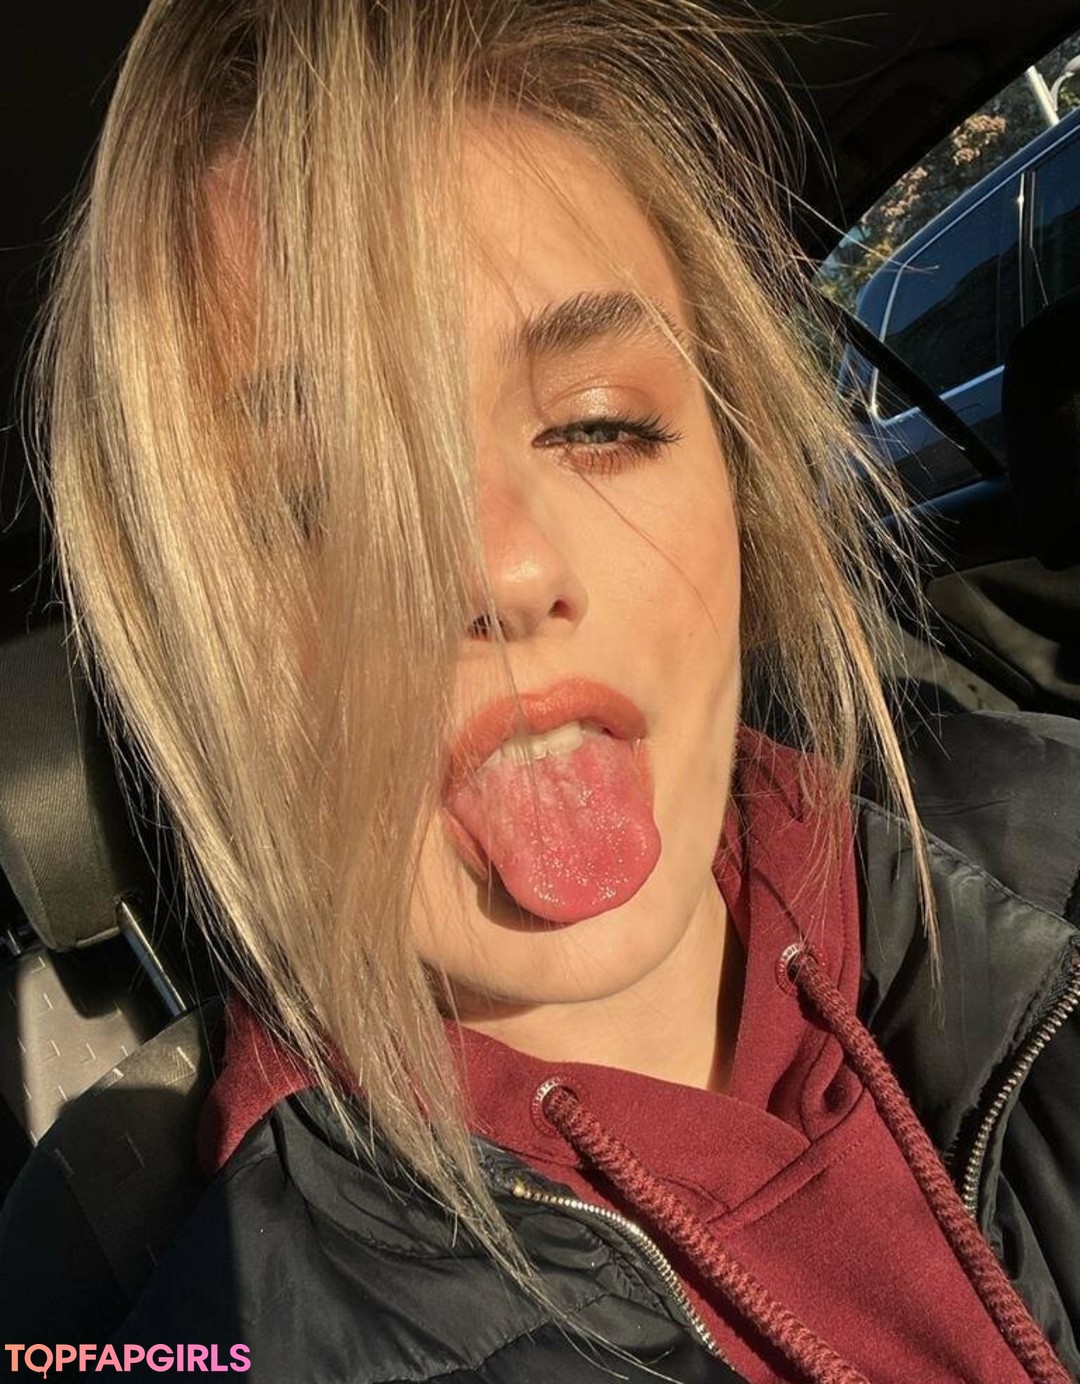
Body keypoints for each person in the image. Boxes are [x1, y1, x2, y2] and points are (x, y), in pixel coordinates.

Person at [24, 1, 1080, 1381]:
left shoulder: (1046, 834)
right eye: (316, 500)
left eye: (601, 425)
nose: (505, 569)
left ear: (739, 481)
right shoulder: (230, 1331)